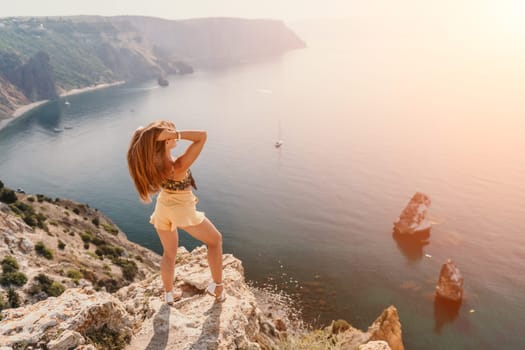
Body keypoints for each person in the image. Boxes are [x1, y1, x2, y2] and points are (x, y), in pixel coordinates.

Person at [127, 120, 225, 304]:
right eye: (170, 133)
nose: (174, 135)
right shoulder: (178, 165)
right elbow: (202, 135)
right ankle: (218, 288)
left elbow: (141, 135)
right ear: (165, 140)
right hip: (182, 210)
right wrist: (175, 134)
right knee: (215, 240)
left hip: (163, 208)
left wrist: (160, 134)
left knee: (169, 254)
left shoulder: (153, 162)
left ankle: (169, 295)